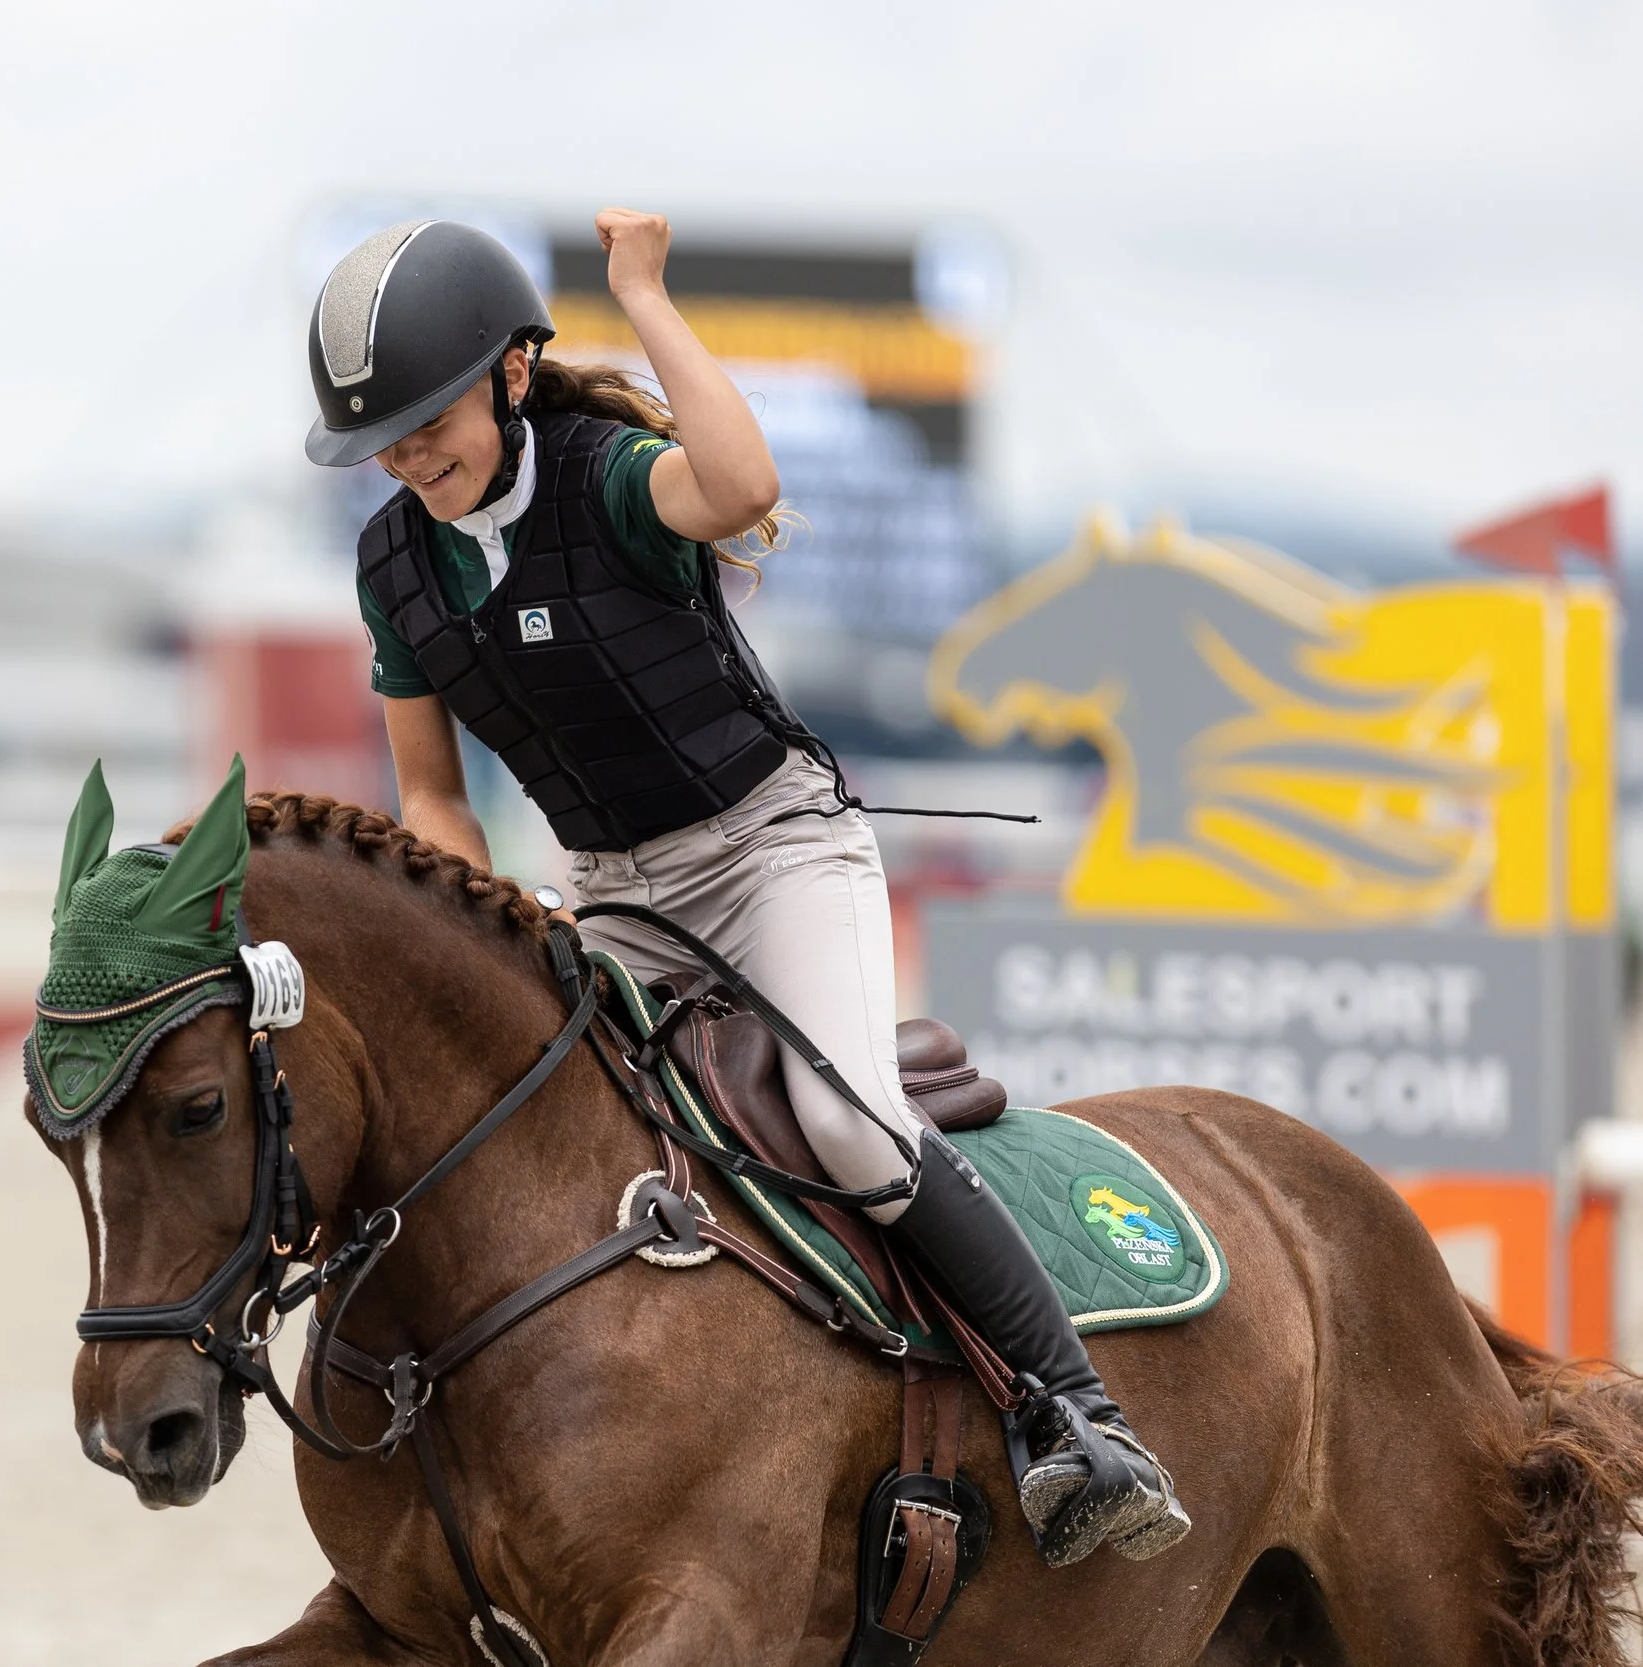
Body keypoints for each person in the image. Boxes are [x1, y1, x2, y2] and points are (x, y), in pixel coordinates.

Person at [303, 210, 1189, 1567]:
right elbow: (430, 793)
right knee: (556, 1152)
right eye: (386, 437)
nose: (413, 452)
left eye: (432, 416)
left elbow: (739, 479)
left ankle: (1076, 1413)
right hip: (612, 893)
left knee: (844, 1130)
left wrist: (647, 296)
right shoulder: (392, 570)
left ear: (514, 375)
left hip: (774, 849)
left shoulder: (606, 480)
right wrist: (469, 928)